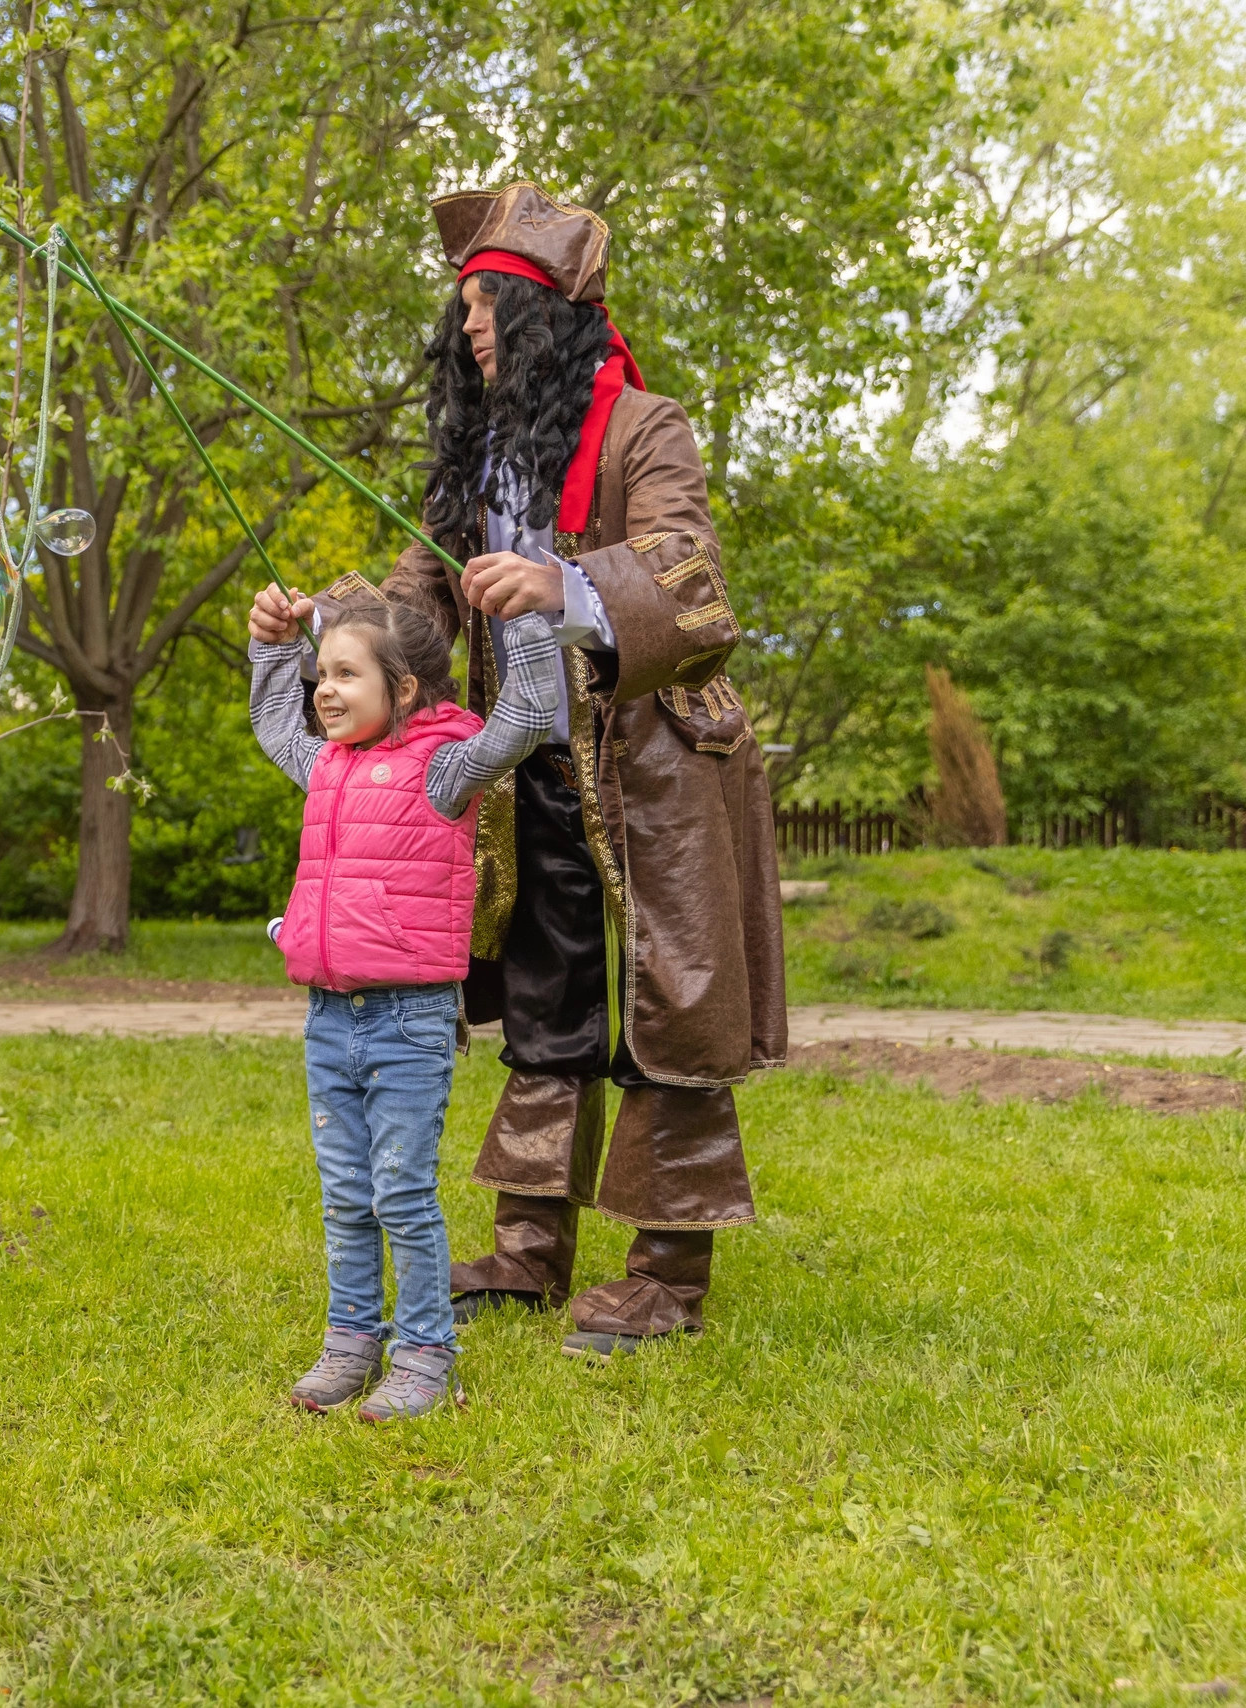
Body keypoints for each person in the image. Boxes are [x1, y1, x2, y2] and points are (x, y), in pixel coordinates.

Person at [378, 182, 785, 1358]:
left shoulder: (647, 428)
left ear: (540, 315)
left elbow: (690, 573)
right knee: (545, 1005)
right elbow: (415, 598)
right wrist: (327, 634)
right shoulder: (474, 459)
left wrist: (564, 583)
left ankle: (664, 1275)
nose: (467, 326)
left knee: (671, 1013)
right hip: (529, 769)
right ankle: (528, 1251)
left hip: (656, 768)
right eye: (463, 308)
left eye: (486, 305)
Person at [248, 577, 559, 1419]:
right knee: (346, 1195)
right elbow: (273, 722)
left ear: (406, 688)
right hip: (329, 1018)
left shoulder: (444, 770)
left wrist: (524, 619)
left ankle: (425, 1355)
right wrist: (271, 645)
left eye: (346, 674)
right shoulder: (325, 766)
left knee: (401, 1193)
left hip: (410, 1021)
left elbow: (529, 716)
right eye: (321, 673)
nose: (324, 690)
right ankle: (351, 1341)